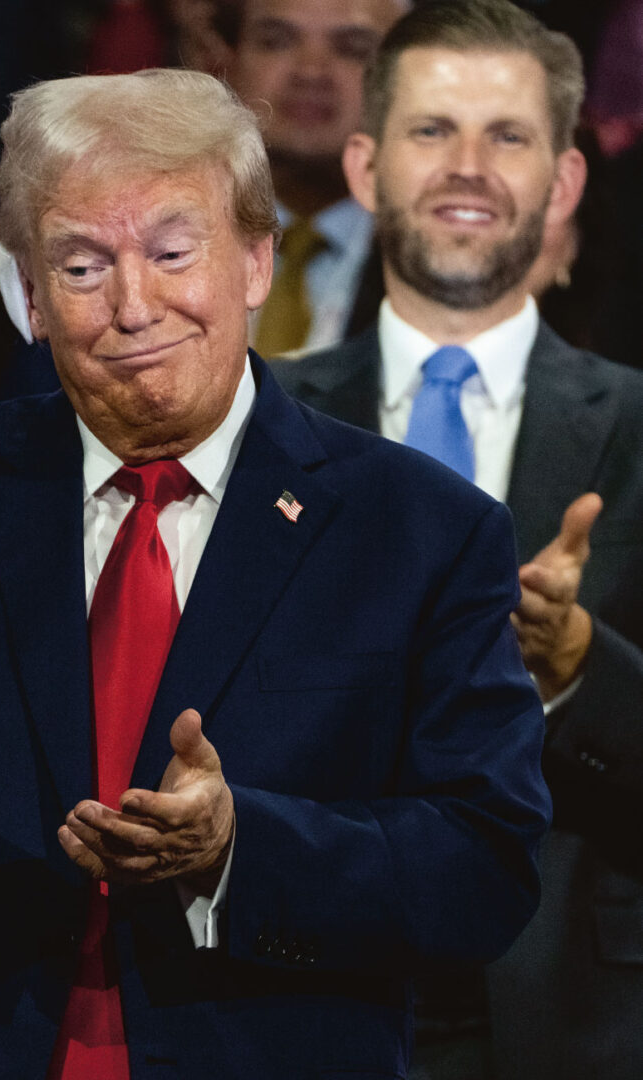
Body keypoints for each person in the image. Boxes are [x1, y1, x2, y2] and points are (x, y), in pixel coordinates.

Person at [0, 66, 553, 1079]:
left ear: (252, 260)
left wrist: (244, 845)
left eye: (169, 251)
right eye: (78, 266)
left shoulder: (421, 531)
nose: (130, 305)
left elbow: (484, 866)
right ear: (26, 293)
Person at [272, 3, 643, 1077]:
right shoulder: (255, 425)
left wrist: (579, 672)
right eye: (431, 130)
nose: (466, 167)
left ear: (563, 184)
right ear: (363, 166)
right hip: (298, 997)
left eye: (507, 136)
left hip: (574, 1020)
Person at [219, 0, 409, 356]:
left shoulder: (432, 257)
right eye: (277, 41)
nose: (310, 71)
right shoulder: (158, 239)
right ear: (223, 59)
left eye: (353, 49)